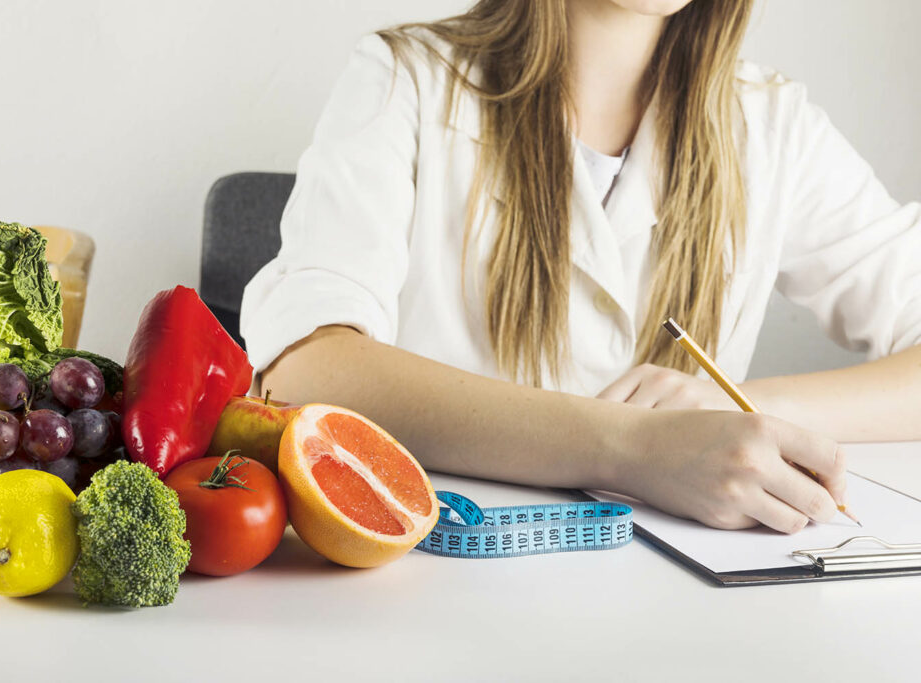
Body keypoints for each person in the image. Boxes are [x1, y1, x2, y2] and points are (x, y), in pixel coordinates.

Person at [241, 0, 921, 534]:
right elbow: (304, 366)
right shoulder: (404, 80)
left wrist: (741, 413)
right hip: (437, 586)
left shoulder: (774, 126)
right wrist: (629, 447)